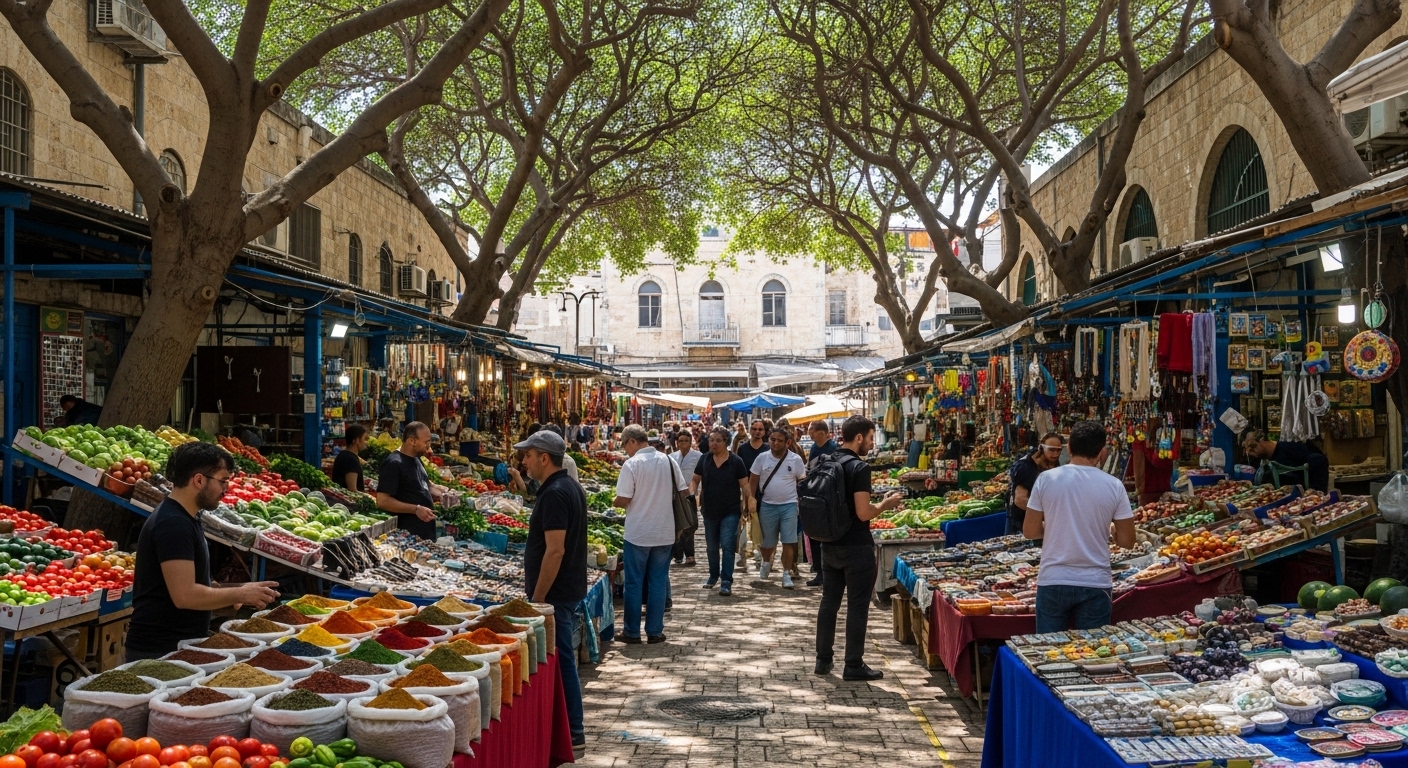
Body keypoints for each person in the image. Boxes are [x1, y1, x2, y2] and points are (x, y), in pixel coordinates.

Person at [127, 442, 280, 660]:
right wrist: (240, 593)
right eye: (223, 481)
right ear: (199, 480)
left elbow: (196, 583)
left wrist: (237, 590)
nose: (226, 489)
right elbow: (185, 595)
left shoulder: (188, 517)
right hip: (159, 652)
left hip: (180, 646)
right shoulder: (173, 524)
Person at [1023, 420, 1137, 633]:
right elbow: (1128, 541)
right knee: (1092, 655)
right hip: (1095, 582)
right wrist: (1111, 530)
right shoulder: (1114, 485)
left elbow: (1030, 530)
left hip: (1053, 579)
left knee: (1049, 655)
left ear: (1068, 448)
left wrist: (1055, 526)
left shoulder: (1046, 479)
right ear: (1102, 452)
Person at [814, 415, 904, 681]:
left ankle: (823, 660)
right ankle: (853, 664)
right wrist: (886, 504)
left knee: (829, 602)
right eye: (871, 437)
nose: (871, 444)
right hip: (856, 546)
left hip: (829, 544)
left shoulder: (824, 461)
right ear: (860, 437)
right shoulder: (859, 468)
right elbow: (864, 513)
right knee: (857, 606)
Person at [516, 429, 588, 754]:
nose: (523, 461)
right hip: (564, 589)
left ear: (544, 458)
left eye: (528, 455)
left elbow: (555, 550)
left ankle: (573, 731)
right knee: (561, 660)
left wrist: (539, 598)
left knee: (562, 661)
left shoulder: (557, 493)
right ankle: (565, 729)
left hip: (556, 593)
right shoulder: (567, 486)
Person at [614, 424, 688, 643]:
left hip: (638, 532)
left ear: (632, 442)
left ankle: (632, 632)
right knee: (657, 581)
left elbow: (624, 499)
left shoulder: (632, 464)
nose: (625, 450)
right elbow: (683, 492)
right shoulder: (668, 461)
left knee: (634, 583)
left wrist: (615, 501)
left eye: (624, 445)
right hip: (664, 531)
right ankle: (655, 632)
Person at [692, 428, 752, 595]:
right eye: (711, 440)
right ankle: (713, 575)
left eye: (718, 440)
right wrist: (692, 494)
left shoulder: (736, 461)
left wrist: (750, 499)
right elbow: (695, 479)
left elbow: (745, 485)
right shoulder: (704, 459)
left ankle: (726, 580)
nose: (714, 444)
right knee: (711, 547)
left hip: (730, 511)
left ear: (726, 442)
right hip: (709, 510)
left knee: (727, 545)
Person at [749, 427, 808, 589]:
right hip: (767, 506)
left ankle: (786, 573)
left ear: (787, 443)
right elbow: (753, 479)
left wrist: (801, 501)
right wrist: (750, 498)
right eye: (772, 440)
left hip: (789, 505)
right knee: (767, 543)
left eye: (779, 440)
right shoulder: (762, 458)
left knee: (789, 541)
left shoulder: (795, 460)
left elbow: (801, 482)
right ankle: (766, 561)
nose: (775, 443)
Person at [375, 421, 442, 540]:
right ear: (412, 441)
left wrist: (439, 492)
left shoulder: (416, 458)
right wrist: (416, 509)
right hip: (408, 536)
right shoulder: (394, 464)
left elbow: (423, 483)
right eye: (426, 442)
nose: (429, 446)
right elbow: (382, 501)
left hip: (425, 533)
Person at [1006, 432, 1063, 535]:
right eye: (1052, 449)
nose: (1056, 454)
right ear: (1041, 448)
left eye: (1058, 450)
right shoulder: (1025, 467)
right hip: (1022, 521)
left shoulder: (1053, 462)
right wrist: (1045, 515)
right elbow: (1020, 500)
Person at [1242, 430, 1330, 491]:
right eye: (1247, 450)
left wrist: (1315, 491)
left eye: (1253, 447)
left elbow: (1320, 460)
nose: (1250, 452)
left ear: (1263, 440)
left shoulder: (1289, 447)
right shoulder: (1262, 460)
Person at [670, 431, 703, 566]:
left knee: (690, 524)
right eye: (680, 441)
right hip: (674, 495)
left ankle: (690, 554)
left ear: (690, 442)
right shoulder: (671, 457)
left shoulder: (698, 457)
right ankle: (677, 555)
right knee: (677, 525)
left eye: (685, 441)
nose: (683, 443)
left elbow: (701, 477)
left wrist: (699, 494)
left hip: (690, 495)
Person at [333, 424, 369, 492]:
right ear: (356, 440)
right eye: (364, 439)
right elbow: (352, 490)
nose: (366, 442)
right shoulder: (351, 460)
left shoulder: (342, 454)